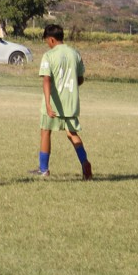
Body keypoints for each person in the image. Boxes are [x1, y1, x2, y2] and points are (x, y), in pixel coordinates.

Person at [32, 23, 92, 180]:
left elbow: (46, 80)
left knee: (45, 131)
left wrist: (47, 103)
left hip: (54, 102)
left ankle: (43, 169)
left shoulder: (49, 55)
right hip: (71, 102)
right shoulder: (75, 53)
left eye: (46, 41)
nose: (47, 44)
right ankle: (84, 162)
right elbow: (80, 79)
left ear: (51, 39)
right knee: (72, 133)